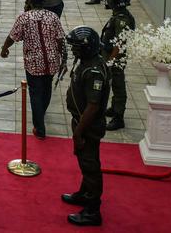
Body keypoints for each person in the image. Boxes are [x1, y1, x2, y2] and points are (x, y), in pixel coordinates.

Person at [0, 0, 66, 138]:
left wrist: (4, 49)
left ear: (29, 1)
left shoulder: (24, 18)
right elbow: (60, 39)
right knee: (46, 89)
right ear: (44, 1)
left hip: (34, 63)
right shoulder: (53, 17)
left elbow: (12, 36)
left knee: (35, 93)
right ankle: (40, 114)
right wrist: (63, 59)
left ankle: (39, 127)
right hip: (51, 61)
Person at [62, 26, 110, 226]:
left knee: (90, 166)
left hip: (88, 125)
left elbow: (92, 106)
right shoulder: (87, 62)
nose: (73, 51)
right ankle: (84, 193)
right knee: (85, 162)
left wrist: (78, 132)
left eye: (76, 48)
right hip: (80, 121)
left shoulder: (94, 71)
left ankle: (92, 210)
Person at [100, 0, 135, 131]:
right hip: (111, 55)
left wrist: (111, 60)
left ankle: (118, 116)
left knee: (118, 85)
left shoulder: (122, 19)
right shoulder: (119, 14)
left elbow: (120, 43)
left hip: (116, 58)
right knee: (114, 83)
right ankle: (114, 108)